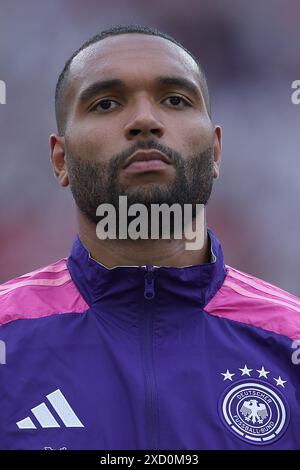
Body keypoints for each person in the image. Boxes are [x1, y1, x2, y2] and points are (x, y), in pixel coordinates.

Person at [0, 24, 300, 451]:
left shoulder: (290, 339)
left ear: (215, 152)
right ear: (60, 159)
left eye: (175, 100)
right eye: (106, 103)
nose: (144, 120)